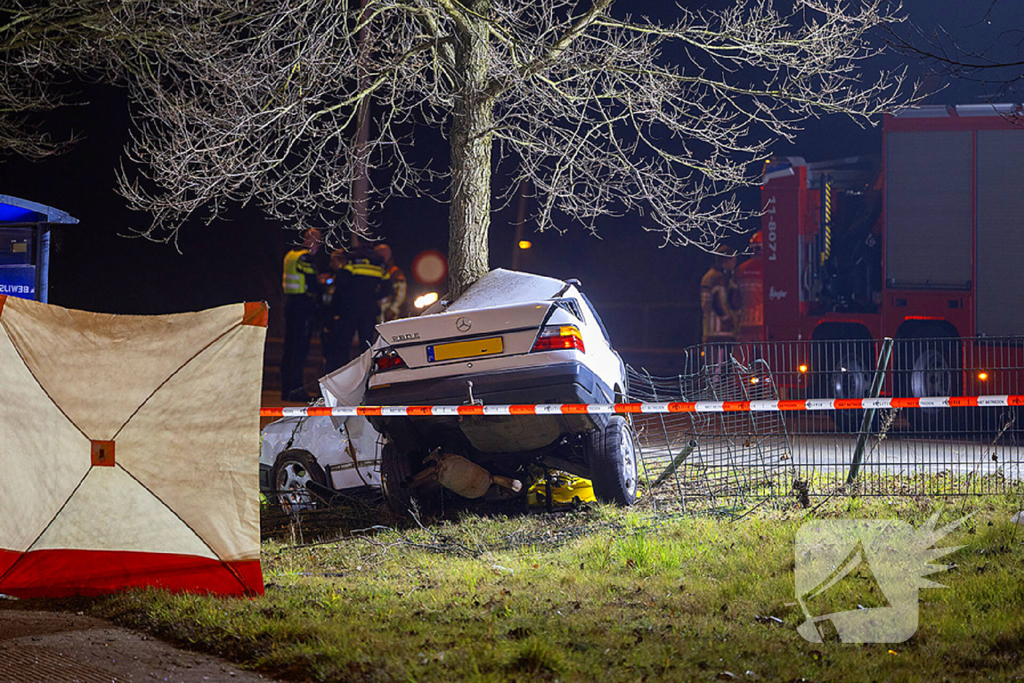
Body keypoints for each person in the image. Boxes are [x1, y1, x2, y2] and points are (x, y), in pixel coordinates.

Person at [322, 245, 390, 372]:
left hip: (350, 310)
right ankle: (368, 374)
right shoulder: (379, 264)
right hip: (368, 310)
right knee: (367, 345)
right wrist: (373, 297)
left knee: (343, 345)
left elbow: (341, 284)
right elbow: (387, 288)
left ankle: (342, 374)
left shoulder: (352, 261)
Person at [280, 228, 325, 402]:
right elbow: (313, 284)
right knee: (300, 350)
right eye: (318, 241)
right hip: (302, 306)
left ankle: (286, 389)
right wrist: (321, 282)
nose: (319, 245)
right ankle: (296, 390)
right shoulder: (305, 257)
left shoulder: (290, 254)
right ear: (310, 240)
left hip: (291, 304)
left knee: (289, 349)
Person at [700, 246, 742, 383]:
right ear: (726, 260)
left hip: (713, 332)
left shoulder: (714, 276)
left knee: (716, 369)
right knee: (716, 369)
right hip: (718, 332)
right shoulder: (717, 278)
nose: (734, 263)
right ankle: (715, 399)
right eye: (733, 260)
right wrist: (728, 319)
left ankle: (715, 396)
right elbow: (719, 303)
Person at [374, 243, 408, 322]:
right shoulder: (378, 270)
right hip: (378, 312)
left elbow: (401, 292)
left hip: (390, 315)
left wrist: (392, 309)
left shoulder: (394, 272)